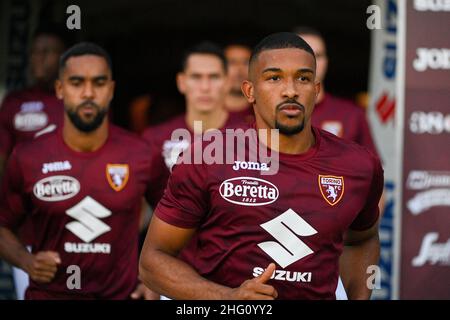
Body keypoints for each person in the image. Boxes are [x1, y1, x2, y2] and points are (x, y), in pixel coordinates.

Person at [139, 32, 383, 300]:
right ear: (249, 91)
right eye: (274, 78)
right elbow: (152, 261)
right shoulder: (208, 156)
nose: (290, 90)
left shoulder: (358, 165)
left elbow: (362, 238)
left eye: (302, 78)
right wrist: (227, 298)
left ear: (316, 90)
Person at [0, 42, 158, 299]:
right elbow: (2, 224)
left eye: (98, 83)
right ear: (60, 89)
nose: (88, 93)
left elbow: (179, 221)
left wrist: (155, 280)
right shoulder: (28, 156)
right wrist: (26, 261)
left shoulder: (142, 153)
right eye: (76, 82)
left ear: (111, 89)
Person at [142, 41, 245, 208]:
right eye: (196, 77)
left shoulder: (252, 137)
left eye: (214, 77)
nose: (205, 87)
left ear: (227, 82)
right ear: (181, 82)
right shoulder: (154, 138)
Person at [293, 27, 378, 154]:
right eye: (302, 55)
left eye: (317, 55)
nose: (311, 62)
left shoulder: (352, 115)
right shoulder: (270, 114)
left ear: (326, 61)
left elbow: (372, 170)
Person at [0, 26, 68, 179]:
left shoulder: (78, 101)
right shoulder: (14, 101)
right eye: (34, 52)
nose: (38, 58)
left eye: (46, 52)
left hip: (67, 187)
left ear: (64, 58)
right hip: (23, 193)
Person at [224, 43, 254, 124]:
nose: (239, 69)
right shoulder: (206, 111)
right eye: (232, 62)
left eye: (246, 62)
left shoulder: (264, 113)